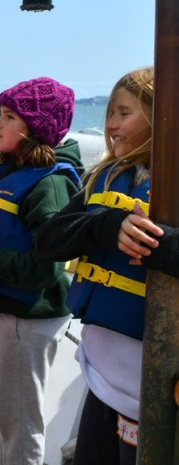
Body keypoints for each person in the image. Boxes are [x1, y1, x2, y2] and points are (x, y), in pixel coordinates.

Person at [36, 67, 178, 465]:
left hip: (154, 389)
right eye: (109, 114)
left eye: (123, 113)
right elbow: (48, 240)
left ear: (161, 115)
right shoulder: (106, 176)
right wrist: (105, 224)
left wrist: (157, 246)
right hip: (101, 378)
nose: (111, 125)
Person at [0, 77, 83, 465]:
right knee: (6, 410)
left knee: (21, 419)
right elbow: (0, 222)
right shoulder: (14, 169)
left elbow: (45, 266)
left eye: (9, 117)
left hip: (30, 318)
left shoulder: (50, 184)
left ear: (34, 128)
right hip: (10, 310)